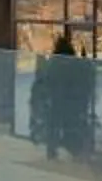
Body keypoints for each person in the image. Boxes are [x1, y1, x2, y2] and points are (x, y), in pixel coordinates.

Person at [32, 28, 92, 161]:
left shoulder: (53, 64)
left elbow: (46, 82)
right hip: (68, 101)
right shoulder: (71, 65)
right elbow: (81, 80)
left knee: (55, 126)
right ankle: (73, 150)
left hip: (56, 101)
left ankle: (52, 151)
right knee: (70, 125)